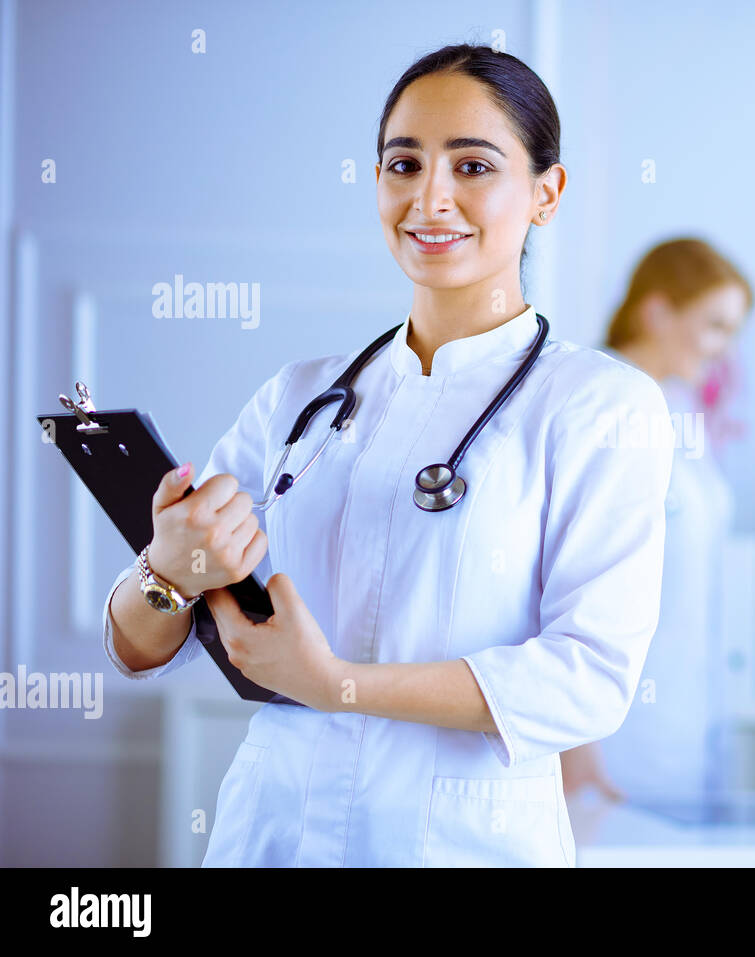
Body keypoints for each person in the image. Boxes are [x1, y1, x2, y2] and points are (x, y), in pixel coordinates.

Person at [100, 44, 674, 867]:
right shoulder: (298, 396)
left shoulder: (599, 406)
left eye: (473, 166)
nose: (430, 198)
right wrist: (167, 569)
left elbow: (588, 678)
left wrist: (337, 681)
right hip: (271, 832)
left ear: (546, 194)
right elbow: (136, 647)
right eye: (403, 164)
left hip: (461, 841)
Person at [559, 238, 752, 804]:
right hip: (608, 741)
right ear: (656, 310)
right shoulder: (591, 402)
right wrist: (575, 746)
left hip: (682, 725)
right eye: (715, 325)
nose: (725, 349)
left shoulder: (676, 410)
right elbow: (552, 577)